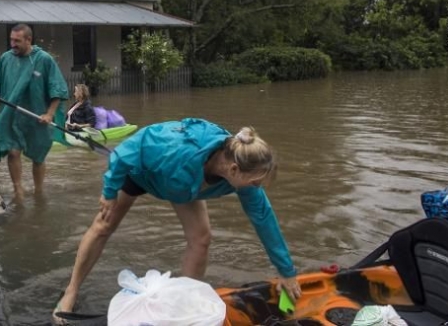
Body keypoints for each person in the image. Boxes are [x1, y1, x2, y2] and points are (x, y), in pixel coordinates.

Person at [53, 118, 301, 323]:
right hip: (143, 172)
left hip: (183, 186)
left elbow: (263, 218)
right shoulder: (177, 151)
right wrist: (108, 193)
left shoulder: (240, 169)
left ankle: (185, 303)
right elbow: (124, 153)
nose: (256, 188)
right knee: (104, 224)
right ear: (234, 170)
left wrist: (286, 272)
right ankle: (71, 290)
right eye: (255, 183)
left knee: (201, 238)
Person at [0, 24, 68, 201]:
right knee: (13, 152)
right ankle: (18, 191)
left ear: (28, 40)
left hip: (37, 116)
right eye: (11, 40)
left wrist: (50, 114)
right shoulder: (5, 59)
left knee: (38, 156)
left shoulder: (44, 60)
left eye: (17, 41)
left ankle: (38, 191)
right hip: (12, 116)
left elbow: (58, 90)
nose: (13, 44)